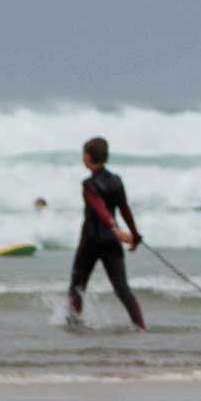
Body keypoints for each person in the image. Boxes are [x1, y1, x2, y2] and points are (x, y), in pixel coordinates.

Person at [68, 137, 145, 331]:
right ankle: (141, 327)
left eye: (83, 154)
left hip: (91, 241)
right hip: (111, 241)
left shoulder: (88, 184)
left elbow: (99, 207)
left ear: (88, 156)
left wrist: (118, 230)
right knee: (122, 289)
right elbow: (124, 209)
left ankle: (73, 325)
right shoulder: (116, 180)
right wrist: (133, 235)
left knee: (77, 287)